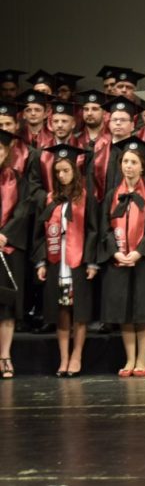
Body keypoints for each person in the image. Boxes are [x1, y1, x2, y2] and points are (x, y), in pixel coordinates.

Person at [98, 138, 145, 377]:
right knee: (124, 311)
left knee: (142, 311)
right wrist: (116, 252)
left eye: (134, 162)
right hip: (118, 261)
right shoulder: (111, 196)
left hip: (144, 260)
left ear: (142, 167)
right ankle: (129, 359)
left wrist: (138, 252)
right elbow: (104, 228)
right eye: (125, 161)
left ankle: (142, 359)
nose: (128, 166)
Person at [33, 145, 99, 377]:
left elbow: (93, 230)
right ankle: (63, 358)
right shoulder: (50, 199)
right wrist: (41, 261)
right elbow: (39, 233)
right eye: (58, 172)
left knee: (78, 311)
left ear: (75, 171)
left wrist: (91, 262)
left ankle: (76, 356)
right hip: (55, 260)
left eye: (65, 171)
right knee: (61, 310)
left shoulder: (85, 197)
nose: (61, 175)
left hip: (78, 260)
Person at [0, 130, 31, 379]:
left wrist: (5, 235)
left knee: (8, 306)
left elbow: (23, 209)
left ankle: (5, 356)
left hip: (9, 248)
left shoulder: (18, 179)